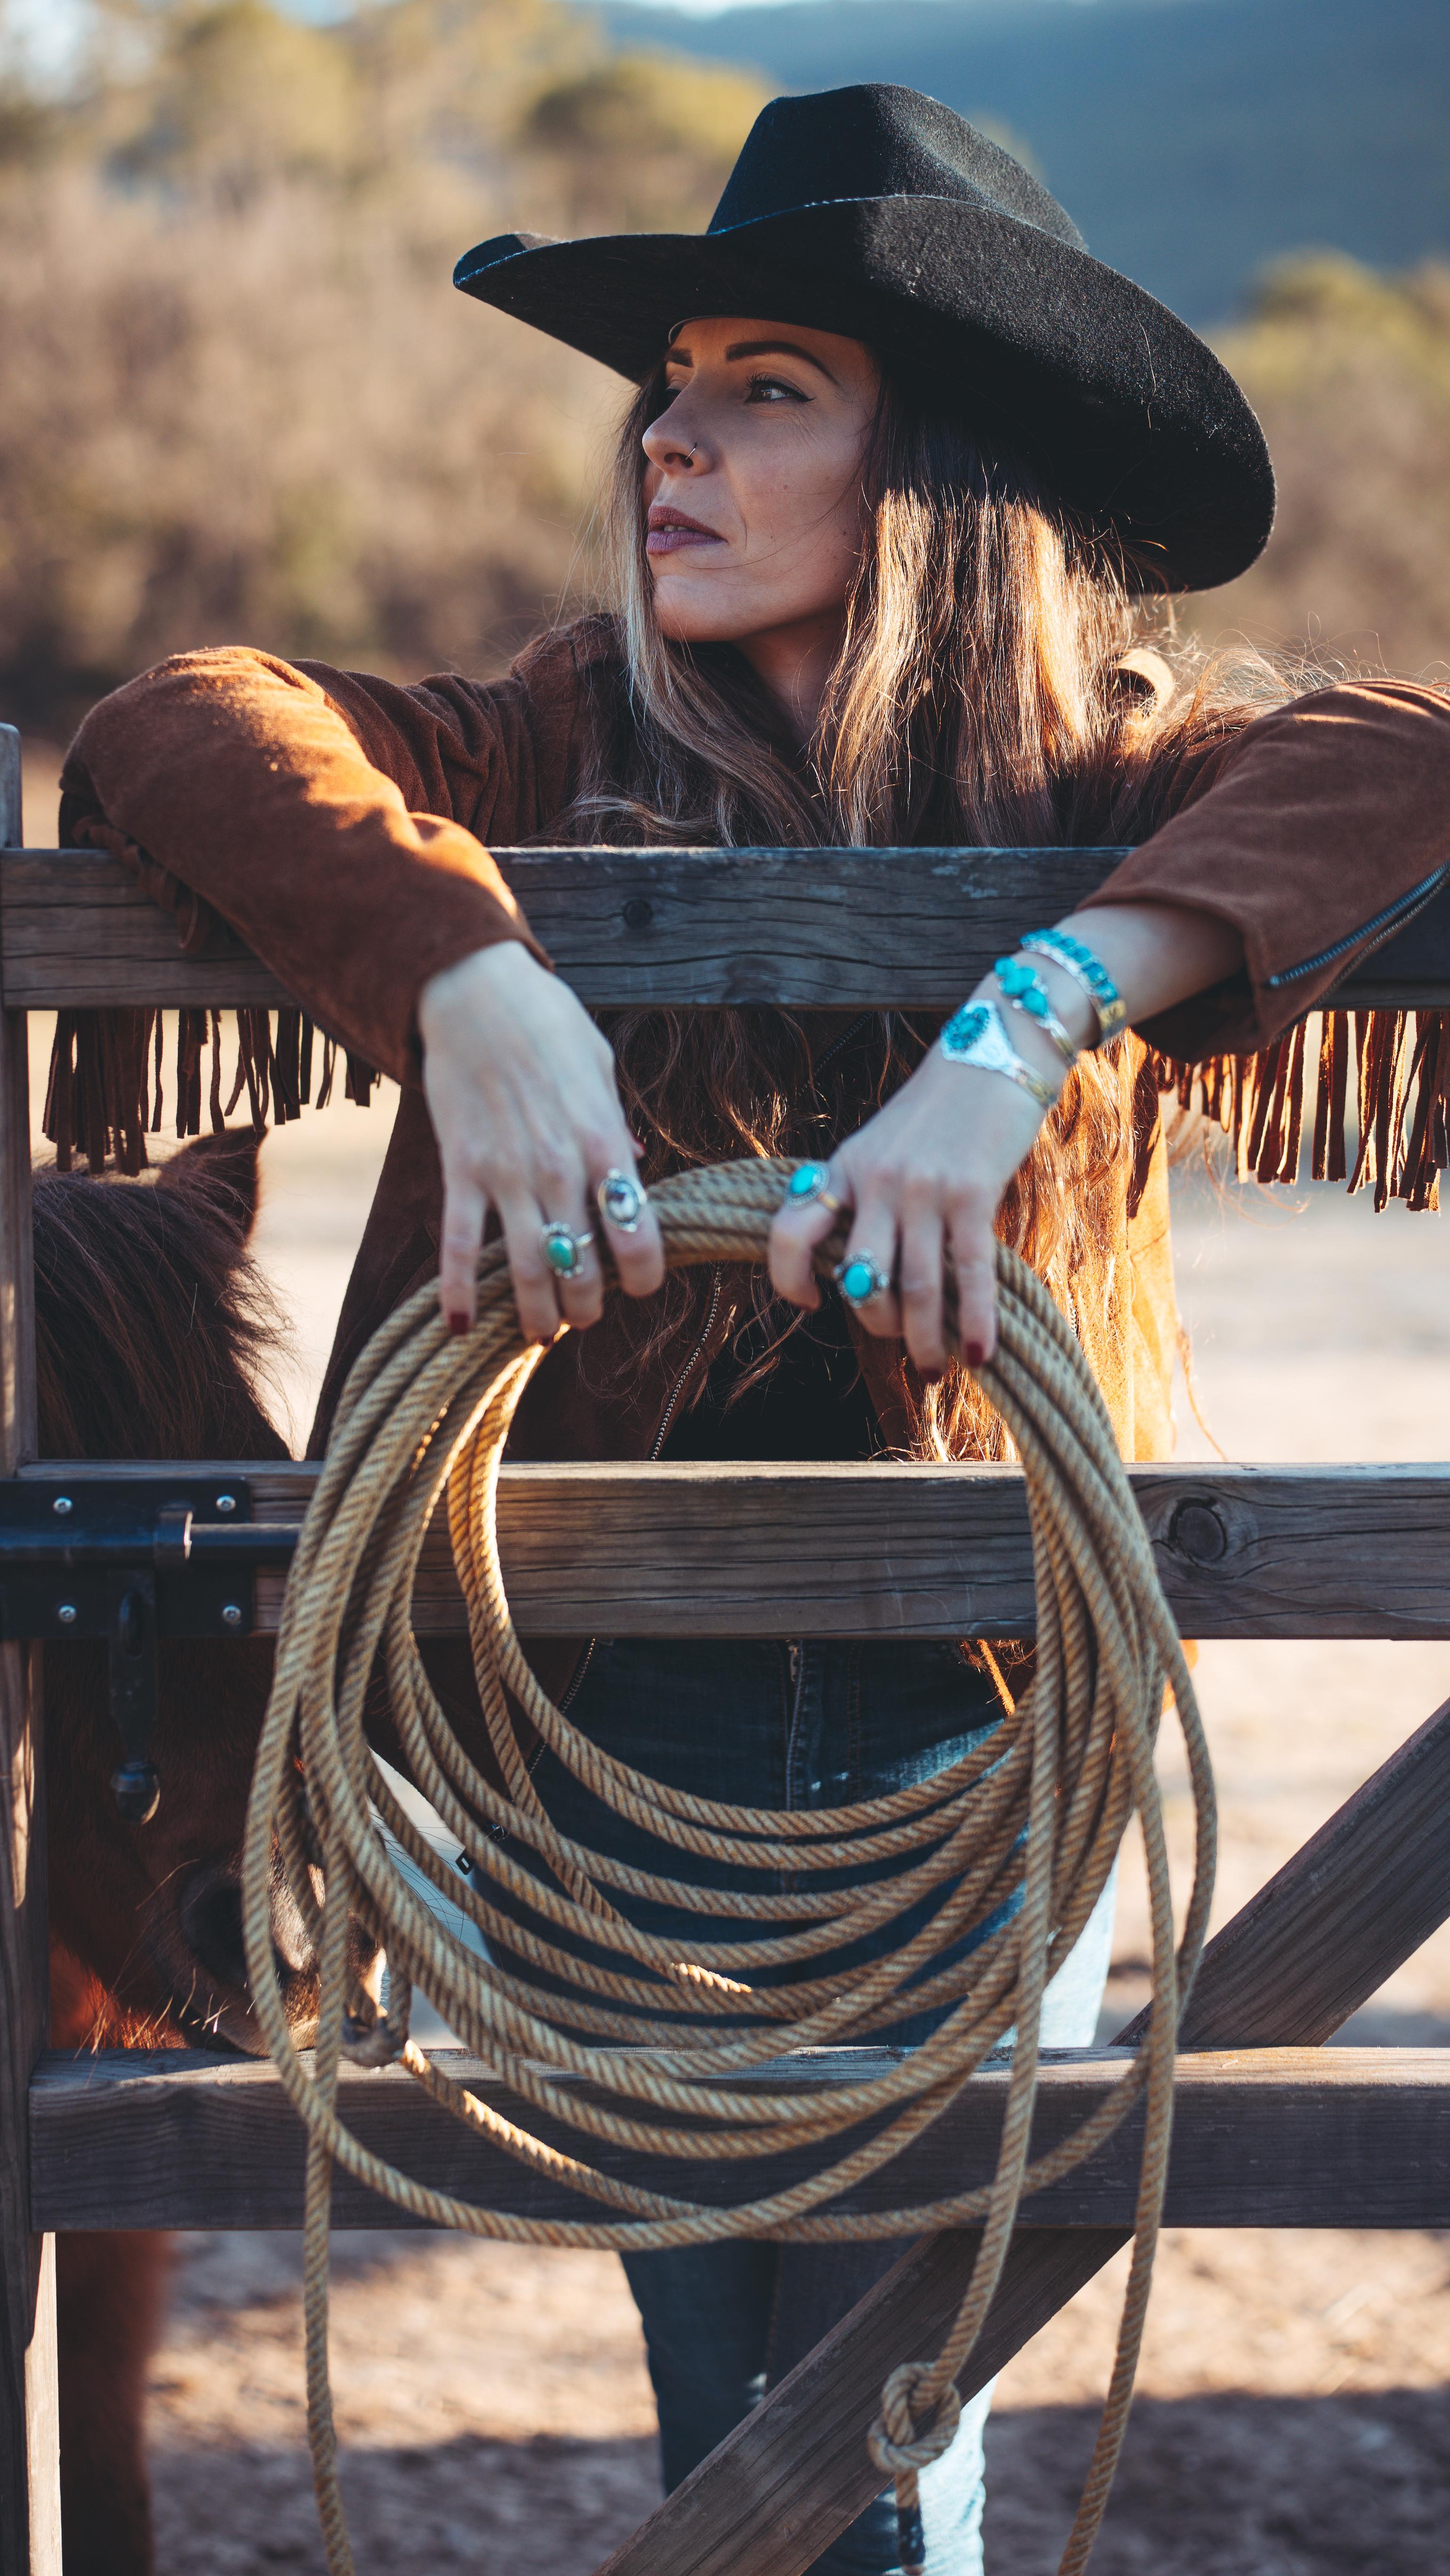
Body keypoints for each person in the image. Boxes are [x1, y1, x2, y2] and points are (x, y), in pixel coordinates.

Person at [55, 84, 1450, 2575]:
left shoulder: (1110, 785)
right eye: (669, 385)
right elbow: (183, 719)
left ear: (943, 468)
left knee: (884, 2412)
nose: (667, 441)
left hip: (981, 1729)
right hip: (598, 1734)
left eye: (763, 386)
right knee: (759, 2405)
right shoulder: (542, 748)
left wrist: (1024, 1015)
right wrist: (474, 981)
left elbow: (1413, 764)